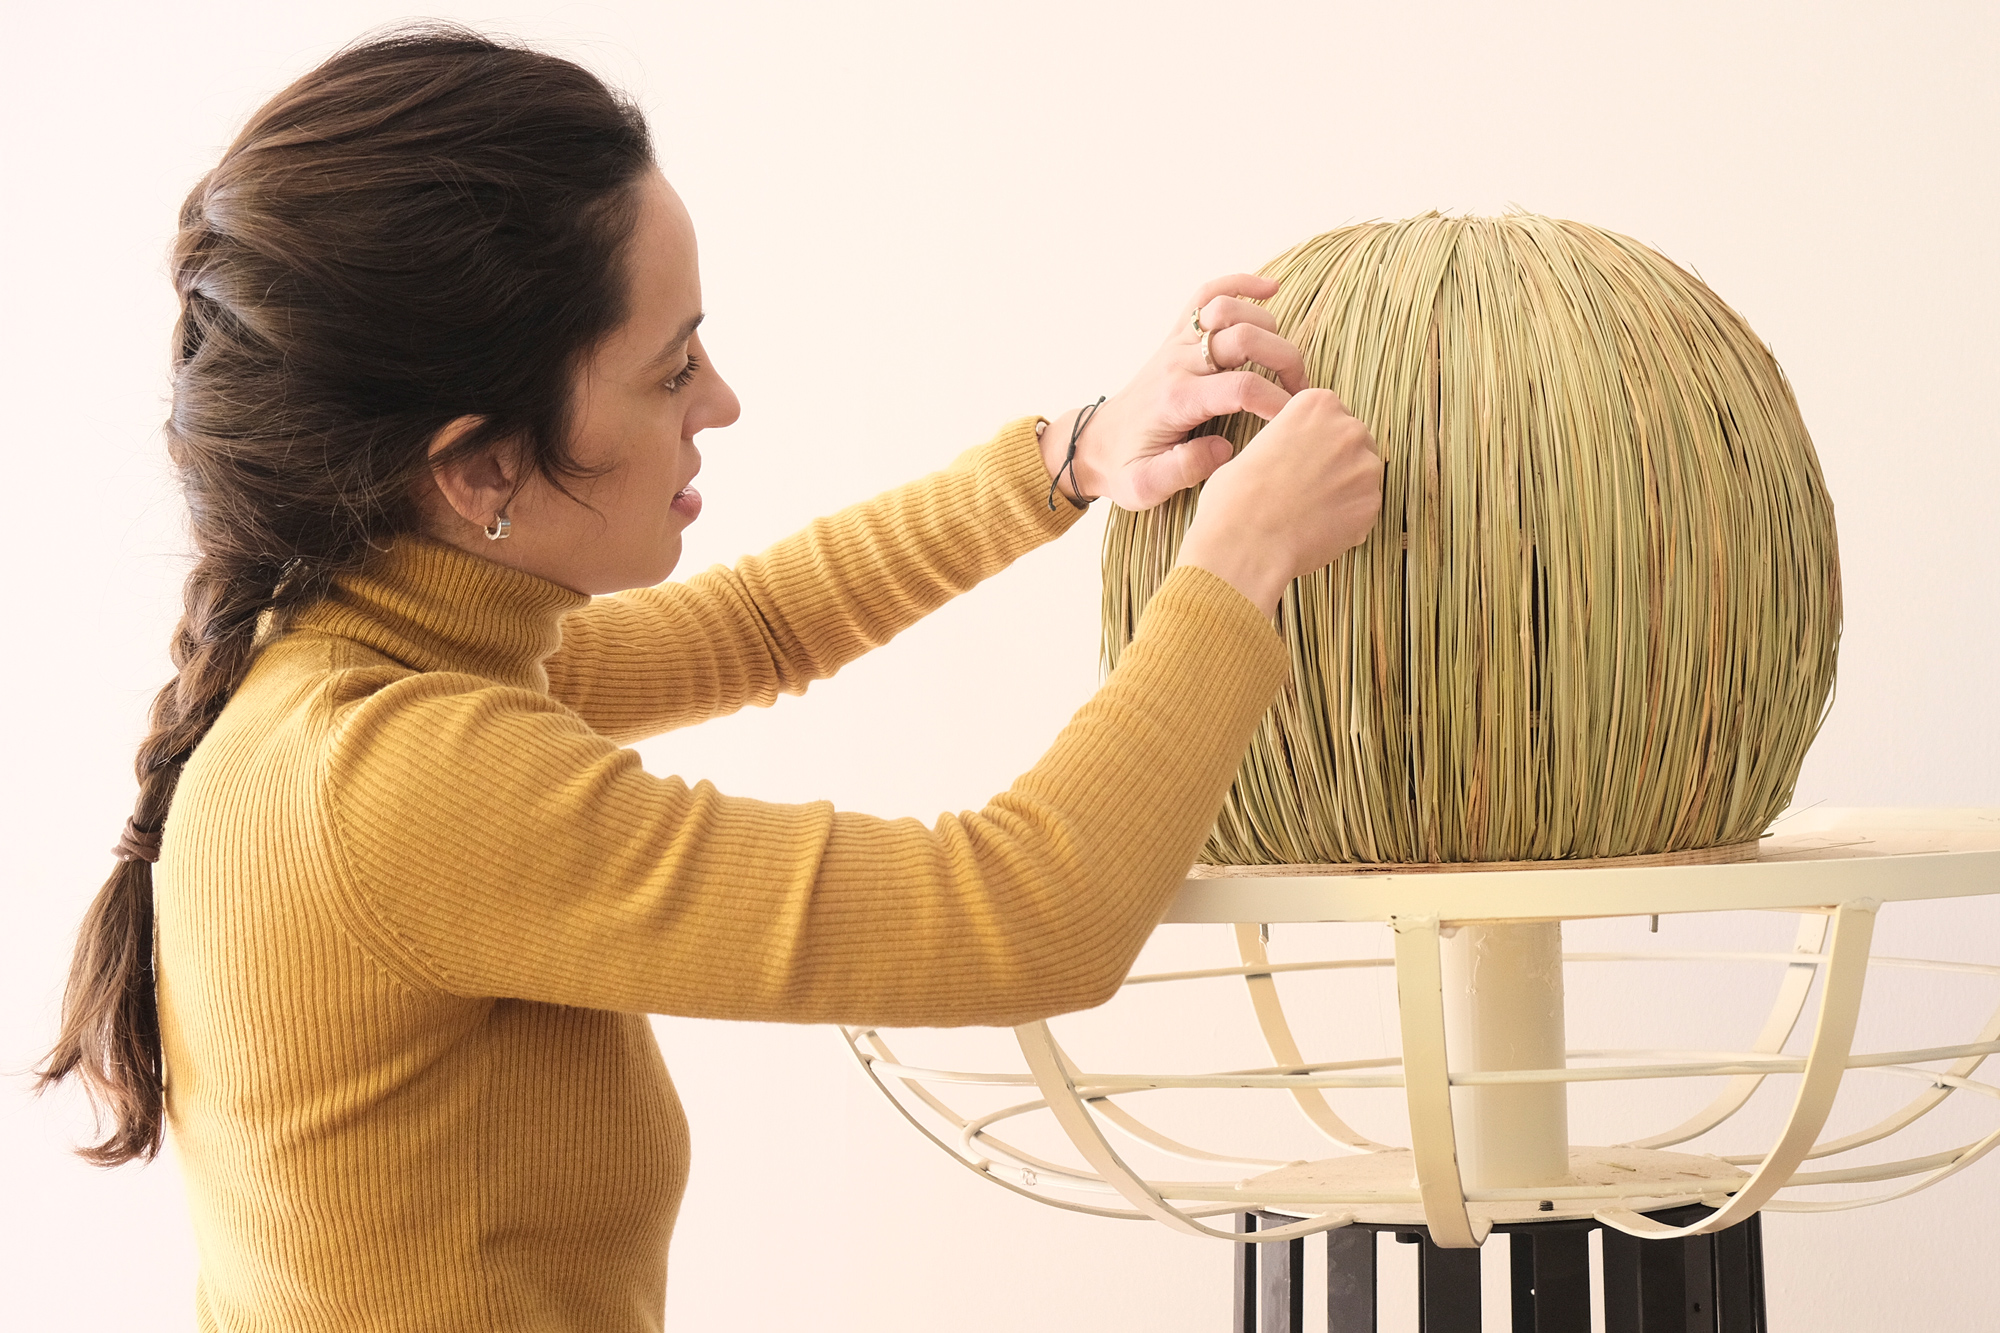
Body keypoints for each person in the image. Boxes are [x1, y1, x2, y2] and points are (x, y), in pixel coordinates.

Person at [40, 24, 1382, 1333]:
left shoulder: (356, 666)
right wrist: (1235, 571)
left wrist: (1073, 451)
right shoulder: (394, 779)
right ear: (478, 467)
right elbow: (1026, 914)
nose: (722, 400)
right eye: (670, 367)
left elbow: (759, 626)